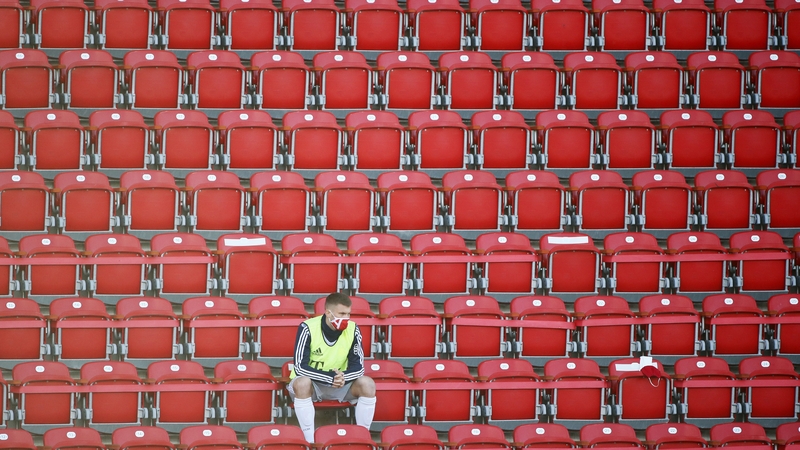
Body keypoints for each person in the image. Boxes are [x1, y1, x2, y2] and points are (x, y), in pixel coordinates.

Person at [288, 292, 376, 443]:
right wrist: (330, 379)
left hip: (340, 385)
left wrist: (342, 378)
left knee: (367, 383)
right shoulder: (307, 327)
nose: (346, 318)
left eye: (348, 314)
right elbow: (300, 367)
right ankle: (310, 442)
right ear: (328, 312)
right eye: (342, 313)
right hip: (312, 385)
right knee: (302, 382)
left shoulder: (353, 329)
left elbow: (359, 367)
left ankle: (363, 438)